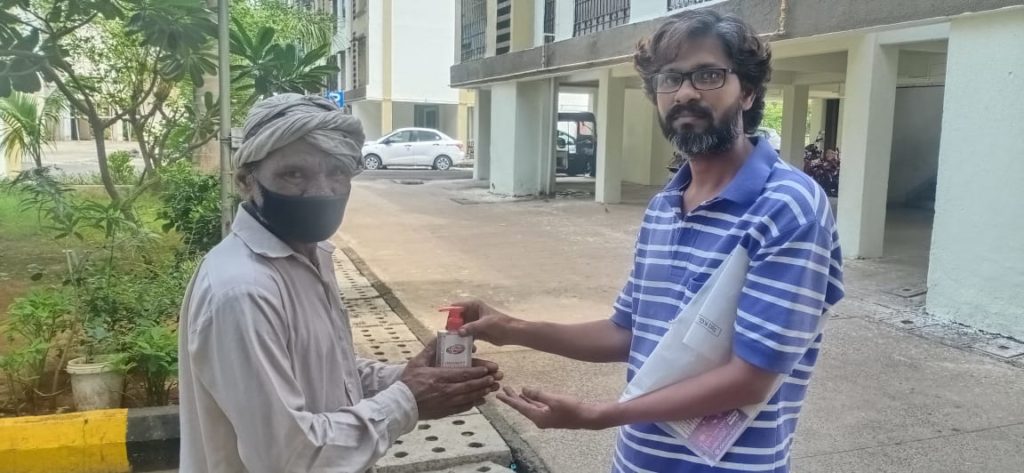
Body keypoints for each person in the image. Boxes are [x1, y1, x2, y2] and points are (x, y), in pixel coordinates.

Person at [454, 10, 844, 473]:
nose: (685, 93)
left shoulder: (788, 206)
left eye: (708, 75)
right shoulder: (665, 206)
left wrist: (600, 415)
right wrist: (511, 328)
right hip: (637, 461)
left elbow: (751, 378)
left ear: (749, 92)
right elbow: (628, 333)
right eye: (670, 78)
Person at [178, 94, 501, 473]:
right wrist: (409, 399)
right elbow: (290, 456)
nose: (321, 191)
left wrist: (408, 377)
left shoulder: (312, 255)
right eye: (294, 174)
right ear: (247, 182)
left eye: (337, 172)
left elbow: (327, 371)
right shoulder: (242, 291)